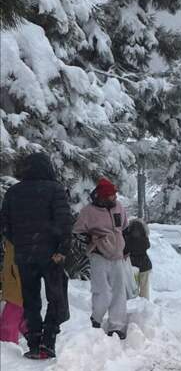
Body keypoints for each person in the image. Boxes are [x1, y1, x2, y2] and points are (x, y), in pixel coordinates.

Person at [0, 153, 72, 359]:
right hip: (51, 255)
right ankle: (48, 342)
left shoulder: (14, 192)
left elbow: (5, 225)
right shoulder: (55, 189)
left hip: (24, 256)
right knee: (55, 298)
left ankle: (33, 343)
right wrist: (62, 249)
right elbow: (65, 222)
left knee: (30, 300)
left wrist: (21, 243)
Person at [73, 178, 129, 338]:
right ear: (102, 196)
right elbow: (77, 233)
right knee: (102, 291)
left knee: (119, 291)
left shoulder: (119, 207)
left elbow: (125, 228)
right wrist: (93, 240)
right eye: (111, 195)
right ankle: (96, 319)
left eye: (115, 194)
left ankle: (116, 326)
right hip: (99, 255)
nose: (114, 197)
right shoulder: (88, 211)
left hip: (117, 255)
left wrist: (127, 248)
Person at [123, 218, 152, 300]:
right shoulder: (145, 239)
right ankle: (145, 303)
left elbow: (124, 250)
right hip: (145, 265)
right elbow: (147, 246)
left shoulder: (127, 239)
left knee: (132, 288)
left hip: (132, 266)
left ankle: (133, 303)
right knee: (144, 288)